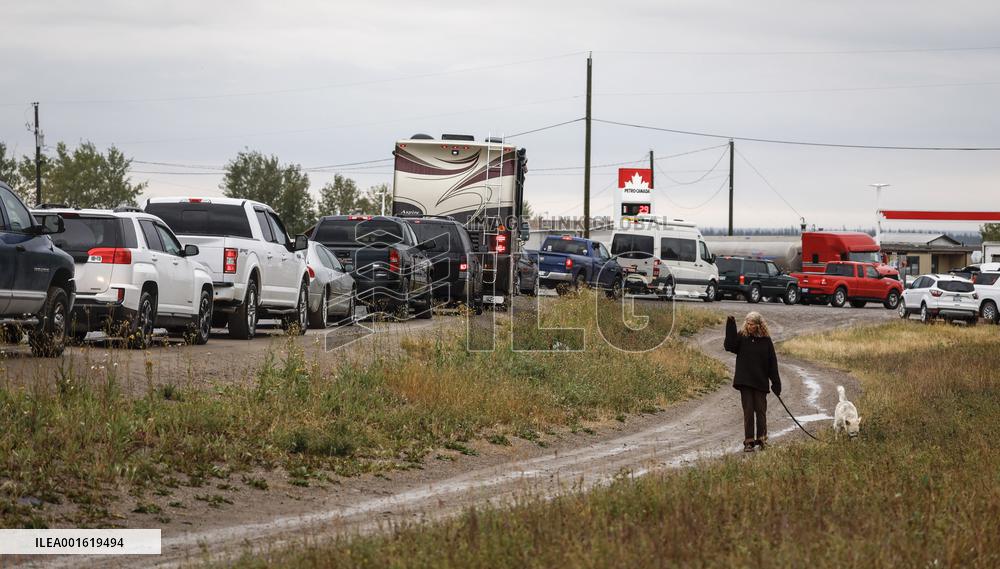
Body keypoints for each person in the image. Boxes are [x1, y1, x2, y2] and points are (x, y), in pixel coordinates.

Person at [724, 311, 781, 452]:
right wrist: (730, 326)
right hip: (745, 381)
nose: (749, 327)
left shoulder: (766, 341)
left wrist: (776, 382)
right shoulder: (742, 337)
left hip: (760, 381)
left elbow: (772, 363)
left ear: (759, 325)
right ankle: (749, 442)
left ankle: (762, 439)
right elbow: (729, 346)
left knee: (761, 411)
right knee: (748, 412)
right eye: (747, 324)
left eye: (752, 324)